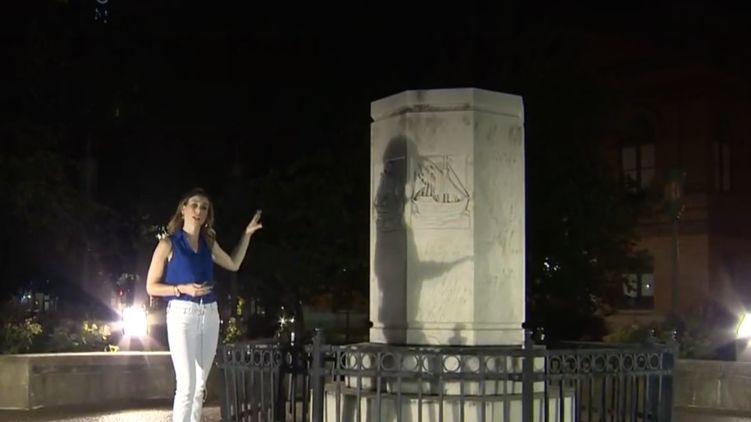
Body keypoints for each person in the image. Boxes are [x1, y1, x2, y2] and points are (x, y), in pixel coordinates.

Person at [145, 187, 263, 422]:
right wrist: (181, 289)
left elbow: (233, 264)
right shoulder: (168, 244)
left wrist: (247, 235)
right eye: (195, 205)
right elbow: (151, 286)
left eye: (204, 207)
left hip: (209, 314)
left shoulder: (208, 243)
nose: (199, 211)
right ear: (183, 209)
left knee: (199, 386)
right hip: (182, 315)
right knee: (187, 385)